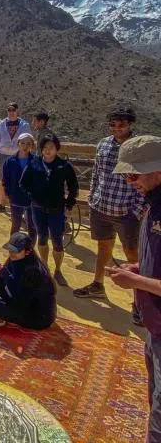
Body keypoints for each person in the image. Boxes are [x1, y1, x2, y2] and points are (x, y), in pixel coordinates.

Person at [106, 135, 161, 443]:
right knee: (154, 398)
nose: (129, 183)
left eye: (134, 175)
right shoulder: (152, 206)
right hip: (155, 327)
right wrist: (139, 270)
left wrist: (138, 282)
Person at [74, 107, 146, 312]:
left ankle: (140, 301)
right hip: (102, 206)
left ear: (130, 124)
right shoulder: (103, 144)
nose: (116, 128)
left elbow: (145, 180)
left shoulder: (138, 148)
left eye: (121, 124)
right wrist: (93, 196)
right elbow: (97, 173)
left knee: (133, 256)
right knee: (103, 248)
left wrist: (137, 211)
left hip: (126, 211)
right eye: (113, 124)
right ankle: (98, 284)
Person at [20, 134, 79, 287]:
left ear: (56, 149)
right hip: (38, 209)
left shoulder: (64, 166)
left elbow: (73, 188)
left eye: (51, 148)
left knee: (58, 241)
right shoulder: (34, 164)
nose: (47, 151)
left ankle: (58, 270)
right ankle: (44, 267)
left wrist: (69, 205)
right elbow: (23, 183)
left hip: (56, 210)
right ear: (41, 149)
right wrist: (33, 196)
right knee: (42, 237)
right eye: (45, 148)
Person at [0, 232, 56, 332]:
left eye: (16, 251)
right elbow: (6, 281)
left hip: (37, 315)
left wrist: (4, 274)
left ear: (27, 251)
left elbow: (21, 299)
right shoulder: (15, 259)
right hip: (20, 299)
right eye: (10, 250)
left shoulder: (33, 271)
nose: (12, 253)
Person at [0, 102, 31, 213]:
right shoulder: (0, 124)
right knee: (3, 181)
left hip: (18, 156)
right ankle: (2, 204)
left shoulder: (24, 125)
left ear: (17, 111)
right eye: (9, 110)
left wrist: (24, 155)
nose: (11, 112)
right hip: (3, 156)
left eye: (13, 110)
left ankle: (18, 205)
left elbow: (28, 141)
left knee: (19, 180)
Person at [2, 132, 37, 242]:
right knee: (15, 226)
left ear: (32, 145)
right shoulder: (9, 161)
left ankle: (29, 252)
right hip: (16, 199)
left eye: (28, 144)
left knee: (32, 227)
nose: (25, 146)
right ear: (18, 143)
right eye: (23, 143)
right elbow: (5, 180)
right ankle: (13, 249)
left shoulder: (36, 161)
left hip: (31, 200)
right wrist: (8, 193)